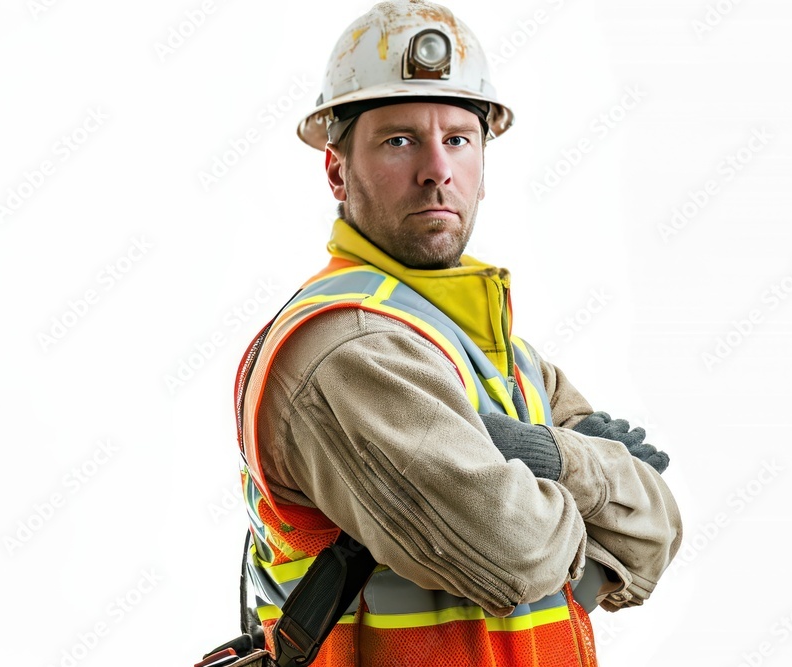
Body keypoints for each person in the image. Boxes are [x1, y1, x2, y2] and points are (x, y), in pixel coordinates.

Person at [232, 2, 682, 665]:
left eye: (459, 139)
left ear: (481, 161)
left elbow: (657, 531)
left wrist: (550, 457)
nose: (436, 168)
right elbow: (514, 554)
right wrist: (598, 483)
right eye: (399, 140)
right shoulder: (344, 348)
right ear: (336, 170)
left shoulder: (506, 358)